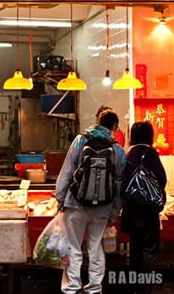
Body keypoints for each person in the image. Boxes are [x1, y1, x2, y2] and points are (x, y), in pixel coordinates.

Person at [56, 110, 126, 294]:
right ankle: (95, 288)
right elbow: (119, 185)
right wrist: (114, 212)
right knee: (95, 247)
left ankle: (72, 287)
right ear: (115, 127)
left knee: (74, 247)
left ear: (97, 121)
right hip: (102, 207)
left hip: (75, 205)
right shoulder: (117, 150)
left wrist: (60, 198)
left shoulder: (80, 141)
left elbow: (67, 170)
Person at [121, 121, 167, 294]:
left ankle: (134, 286)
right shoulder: (150, 153)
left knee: (135, 249)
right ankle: (144, 287)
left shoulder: (129, 154)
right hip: (148, 212)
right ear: (150, 135)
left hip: (132, 211)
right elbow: (162, 179)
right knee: (149, 250)